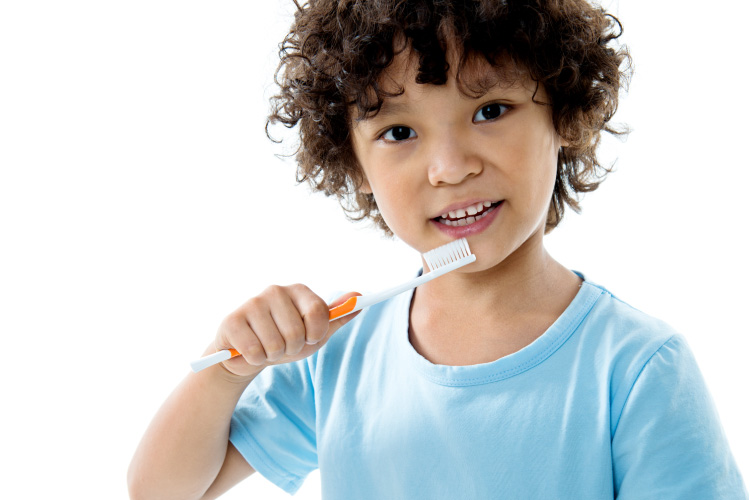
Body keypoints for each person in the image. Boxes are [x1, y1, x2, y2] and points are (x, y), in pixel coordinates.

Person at [128, 0, 748, 498]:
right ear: (355, 163)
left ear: (564, 115)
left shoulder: (638, 370)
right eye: (399, 132)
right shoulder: (339, 353)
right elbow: (160, 491)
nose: (450, 169)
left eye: (491, 110)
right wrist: (226, 373)